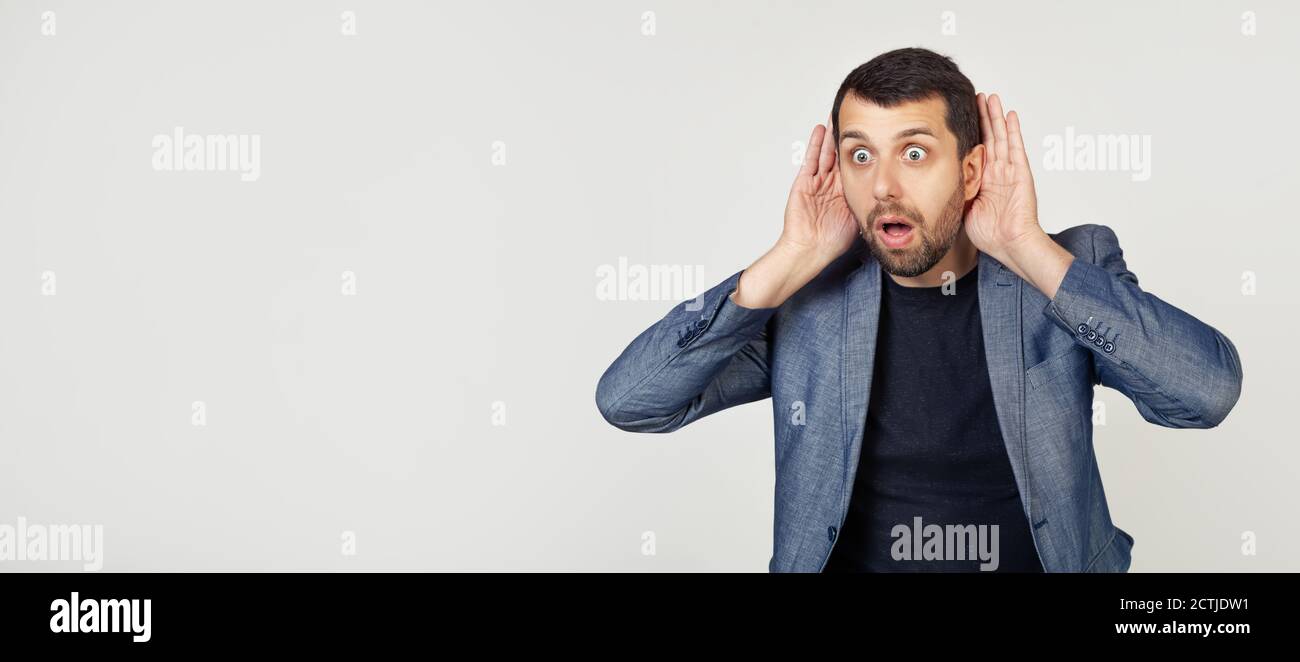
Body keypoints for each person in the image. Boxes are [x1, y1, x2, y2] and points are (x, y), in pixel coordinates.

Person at [594, 47, 1243, 572]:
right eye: (860, 155)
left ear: (969, 171)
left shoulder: (1068, 266)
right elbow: (633, 400)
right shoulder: (807, 303)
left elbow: (1204, 394)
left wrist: (1027, 248)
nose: (882, 186)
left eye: (913, 153)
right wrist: (790, 256)